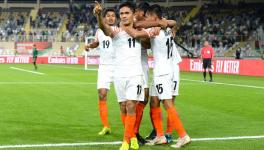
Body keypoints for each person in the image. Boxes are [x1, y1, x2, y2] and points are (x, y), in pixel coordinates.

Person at [124, 4, 191, 148]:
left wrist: (150, 25)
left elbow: (136, 29)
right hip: (162, 69)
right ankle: (160, 135)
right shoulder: (165, 27)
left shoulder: (154, 30)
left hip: (163, 71)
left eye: (148, 16)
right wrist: (161, 23)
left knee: (167, 103)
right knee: (154, 101)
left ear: (154, 16)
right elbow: (172, 24)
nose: (147, 18)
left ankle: (183, 135)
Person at [94, 2, 149, 150]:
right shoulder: (116, 32)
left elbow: (148, 44)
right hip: (119, 74)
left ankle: (125, 142)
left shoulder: (139, 29)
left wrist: (143, 31)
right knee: (123, 107)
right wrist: (99, 15)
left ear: (133, 14)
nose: (124, 16)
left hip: (135, 74)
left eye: (127, 13)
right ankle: (132, 137)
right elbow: (104, 29)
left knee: (131, 105)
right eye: (122, 14)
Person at [85, 8, 116, 136]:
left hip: (119, 66)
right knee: (102, 94)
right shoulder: (99, 31)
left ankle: (130, 130)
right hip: (104, 67)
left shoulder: (120, 30)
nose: (110, 18)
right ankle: (106, 126)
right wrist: (89, 46)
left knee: (125, 100)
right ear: (104, 18)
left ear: (116, 18)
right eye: (108, 16)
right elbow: (96, 43)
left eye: (113, 16)